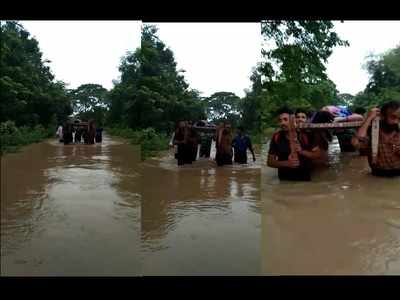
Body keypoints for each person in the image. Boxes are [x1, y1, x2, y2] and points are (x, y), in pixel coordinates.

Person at [267, 107, 321, 181]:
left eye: (285, 119)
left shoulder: (307, 135)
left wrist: (302, 151)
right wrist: (287, 163)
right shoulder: (277, 137)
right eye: (280, 120)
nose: (282, 123)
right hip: (284, 181)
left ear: (293, 120)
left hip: (304, 180)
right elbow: (270, 162)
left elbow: (318, 155)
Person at [352, 101, 400, 177]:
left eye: (399, 118)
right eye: (393, 117)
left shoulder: (398, 131)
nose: (396, 121)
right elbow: (356, 143)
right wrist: (369, 118)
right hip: (378, 174)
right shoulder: (373, 131)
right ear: (383, 116)